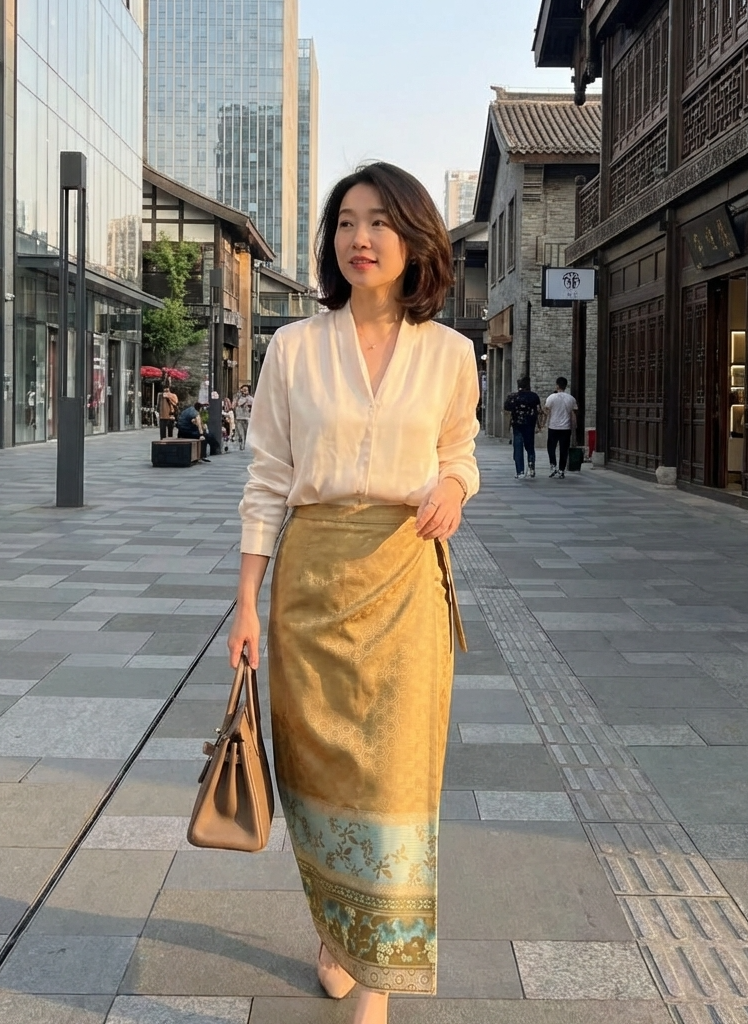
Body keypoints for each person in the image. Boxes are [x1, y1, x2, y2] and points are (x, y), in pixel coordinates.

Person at [229, 162, 479, 1024]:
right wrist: (246, 603)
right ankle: (338, 930)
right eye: (345, 222)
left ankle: (378, 980)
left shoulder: (450, 354)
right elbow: (268, 478)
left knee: (396, 784)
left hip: (405, 579)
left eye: (379, 222)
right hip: (311, 583)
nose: (359, 238)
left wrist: (455, 487)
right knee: (315, 777)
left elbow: (459, 451)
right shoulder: (294, 348)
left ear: (415, 241)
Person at [503, 376, 541, 479]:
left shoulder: (513, 397)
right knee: (530, 447)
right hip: (530, 424)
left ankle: (520, 471)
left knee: (518, 448)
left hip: (517, 425)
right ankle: (531, 468)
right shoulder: (534, 396)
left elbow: (506, 407)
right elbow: (538, 410)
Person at [545, 376, 578, 479]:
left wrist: (543, 423)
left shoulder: (551, 397)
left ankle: (553, 466)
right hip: (566, 427)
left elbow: (546, 410)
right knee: (564, 449)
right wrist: (574, 427)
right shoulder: (571, 398)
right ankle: (561, 470)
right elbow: (573, 413)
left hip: (553, 426)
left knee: (551, 448)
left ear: (557, 385)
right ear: (565, 386)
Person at [234, 383, 253, 449]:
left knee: (246, 432)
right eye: (243, 390)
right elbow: (234, 405)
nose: (244, 391)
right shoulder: (238, 398)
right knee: (240, 432)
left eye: (246, 390)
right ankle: (241, 443)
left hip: (247, 418)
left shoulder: (251, 399)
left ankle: (244, 444)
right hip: (239, 417)